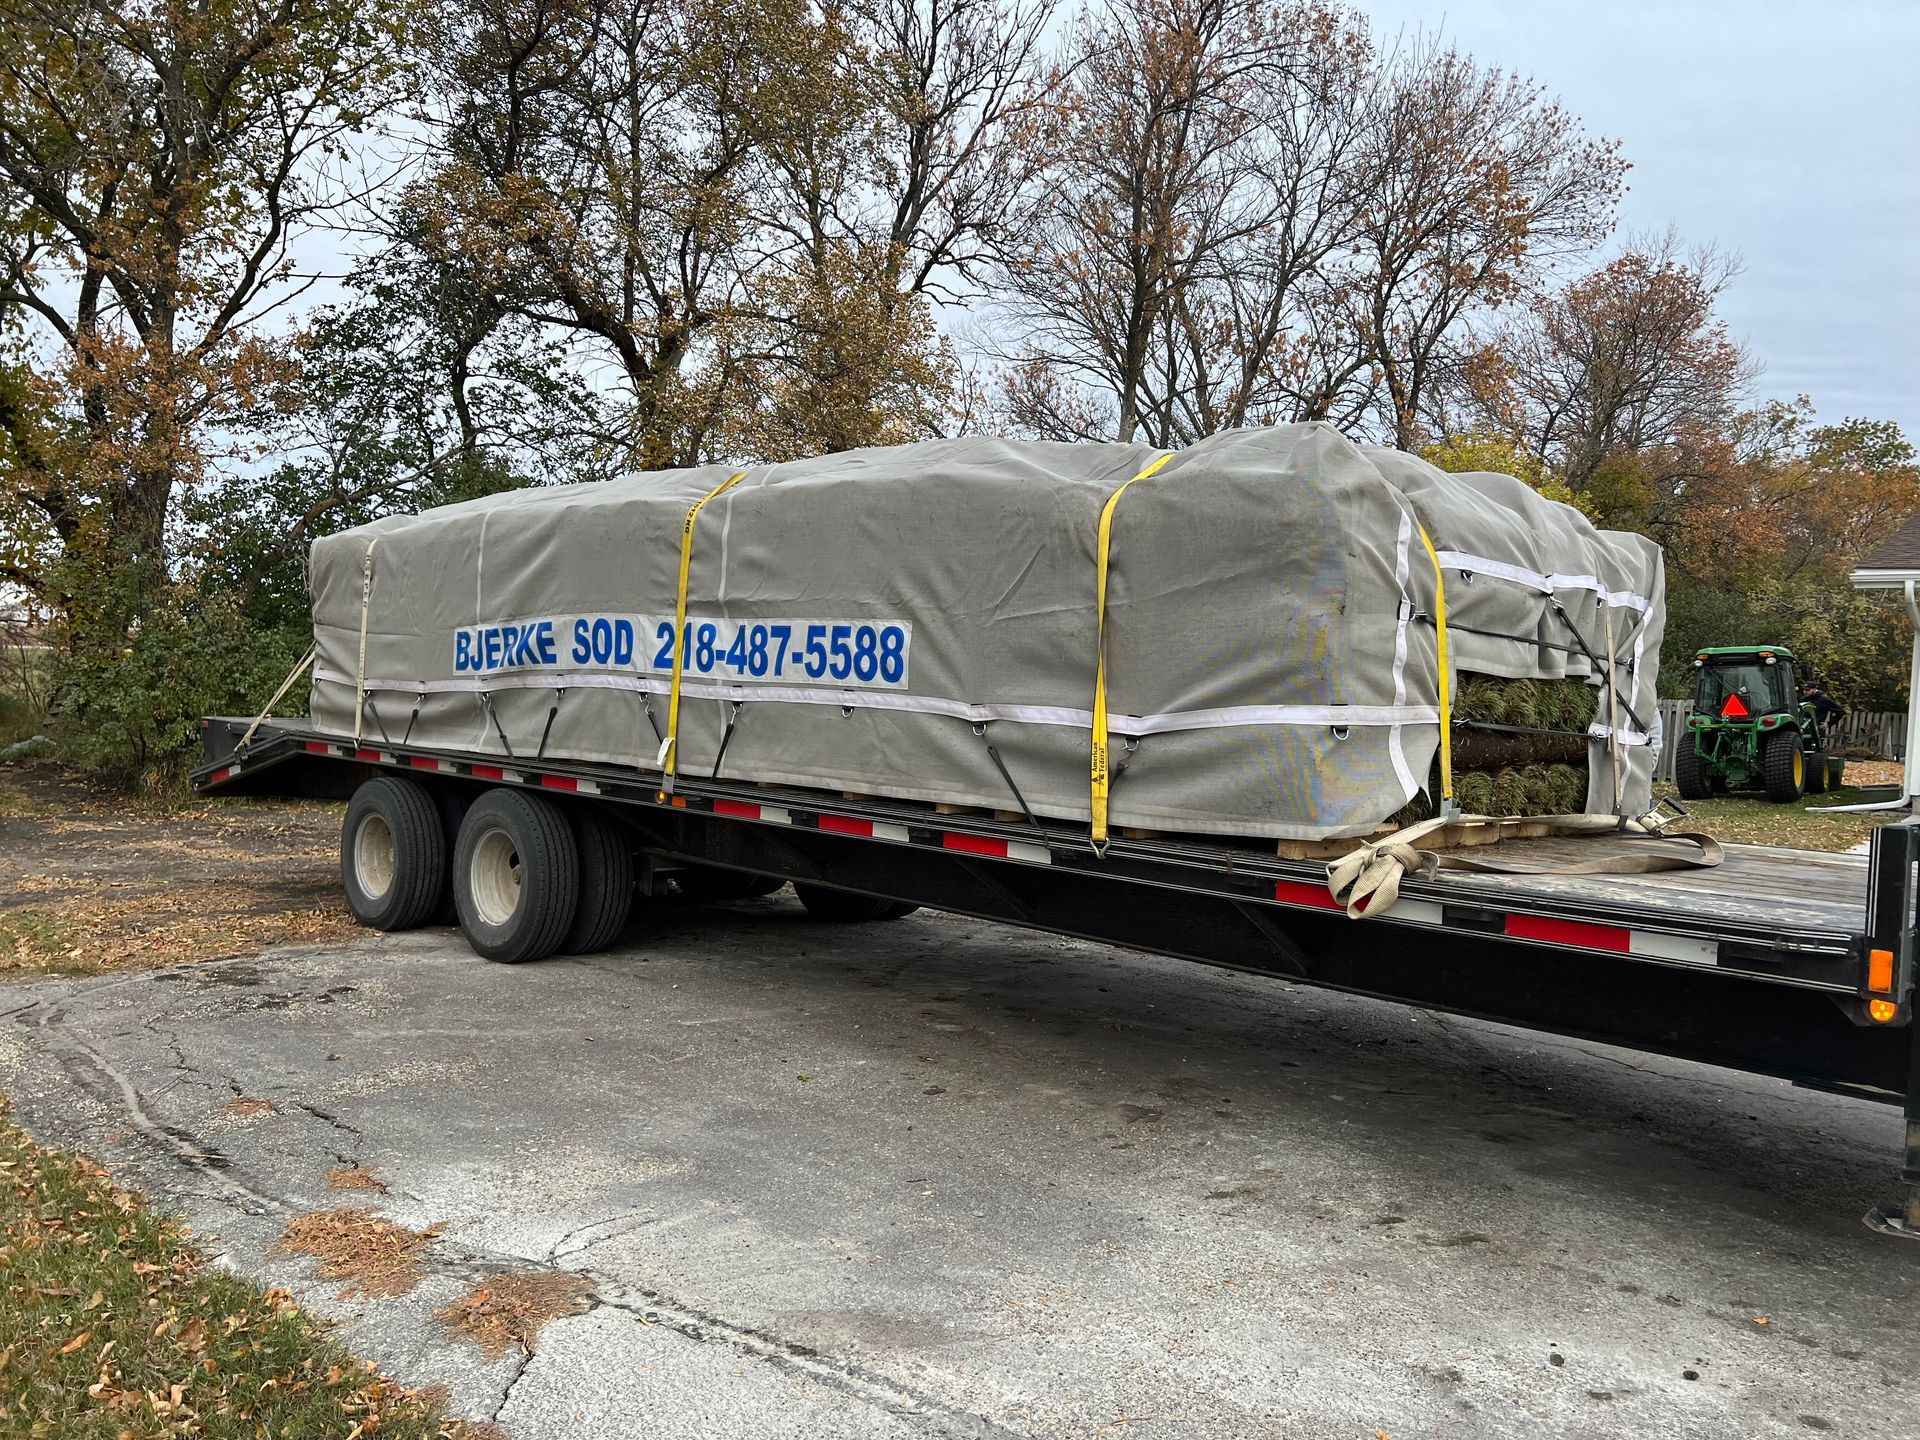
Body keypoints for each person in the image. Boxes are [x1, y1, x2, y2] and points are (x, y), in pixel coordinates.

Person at [1801, 682, 1845, 746]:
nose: (1805, 692)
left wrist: (1829, 724)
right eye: (1804, 690)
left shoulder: (1823, 700)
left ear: (1814, 689)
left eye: (1808, 690)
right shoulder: (1803, 700)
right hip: (1804, 730)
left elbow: (1840, 711)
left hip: (1818, 730)